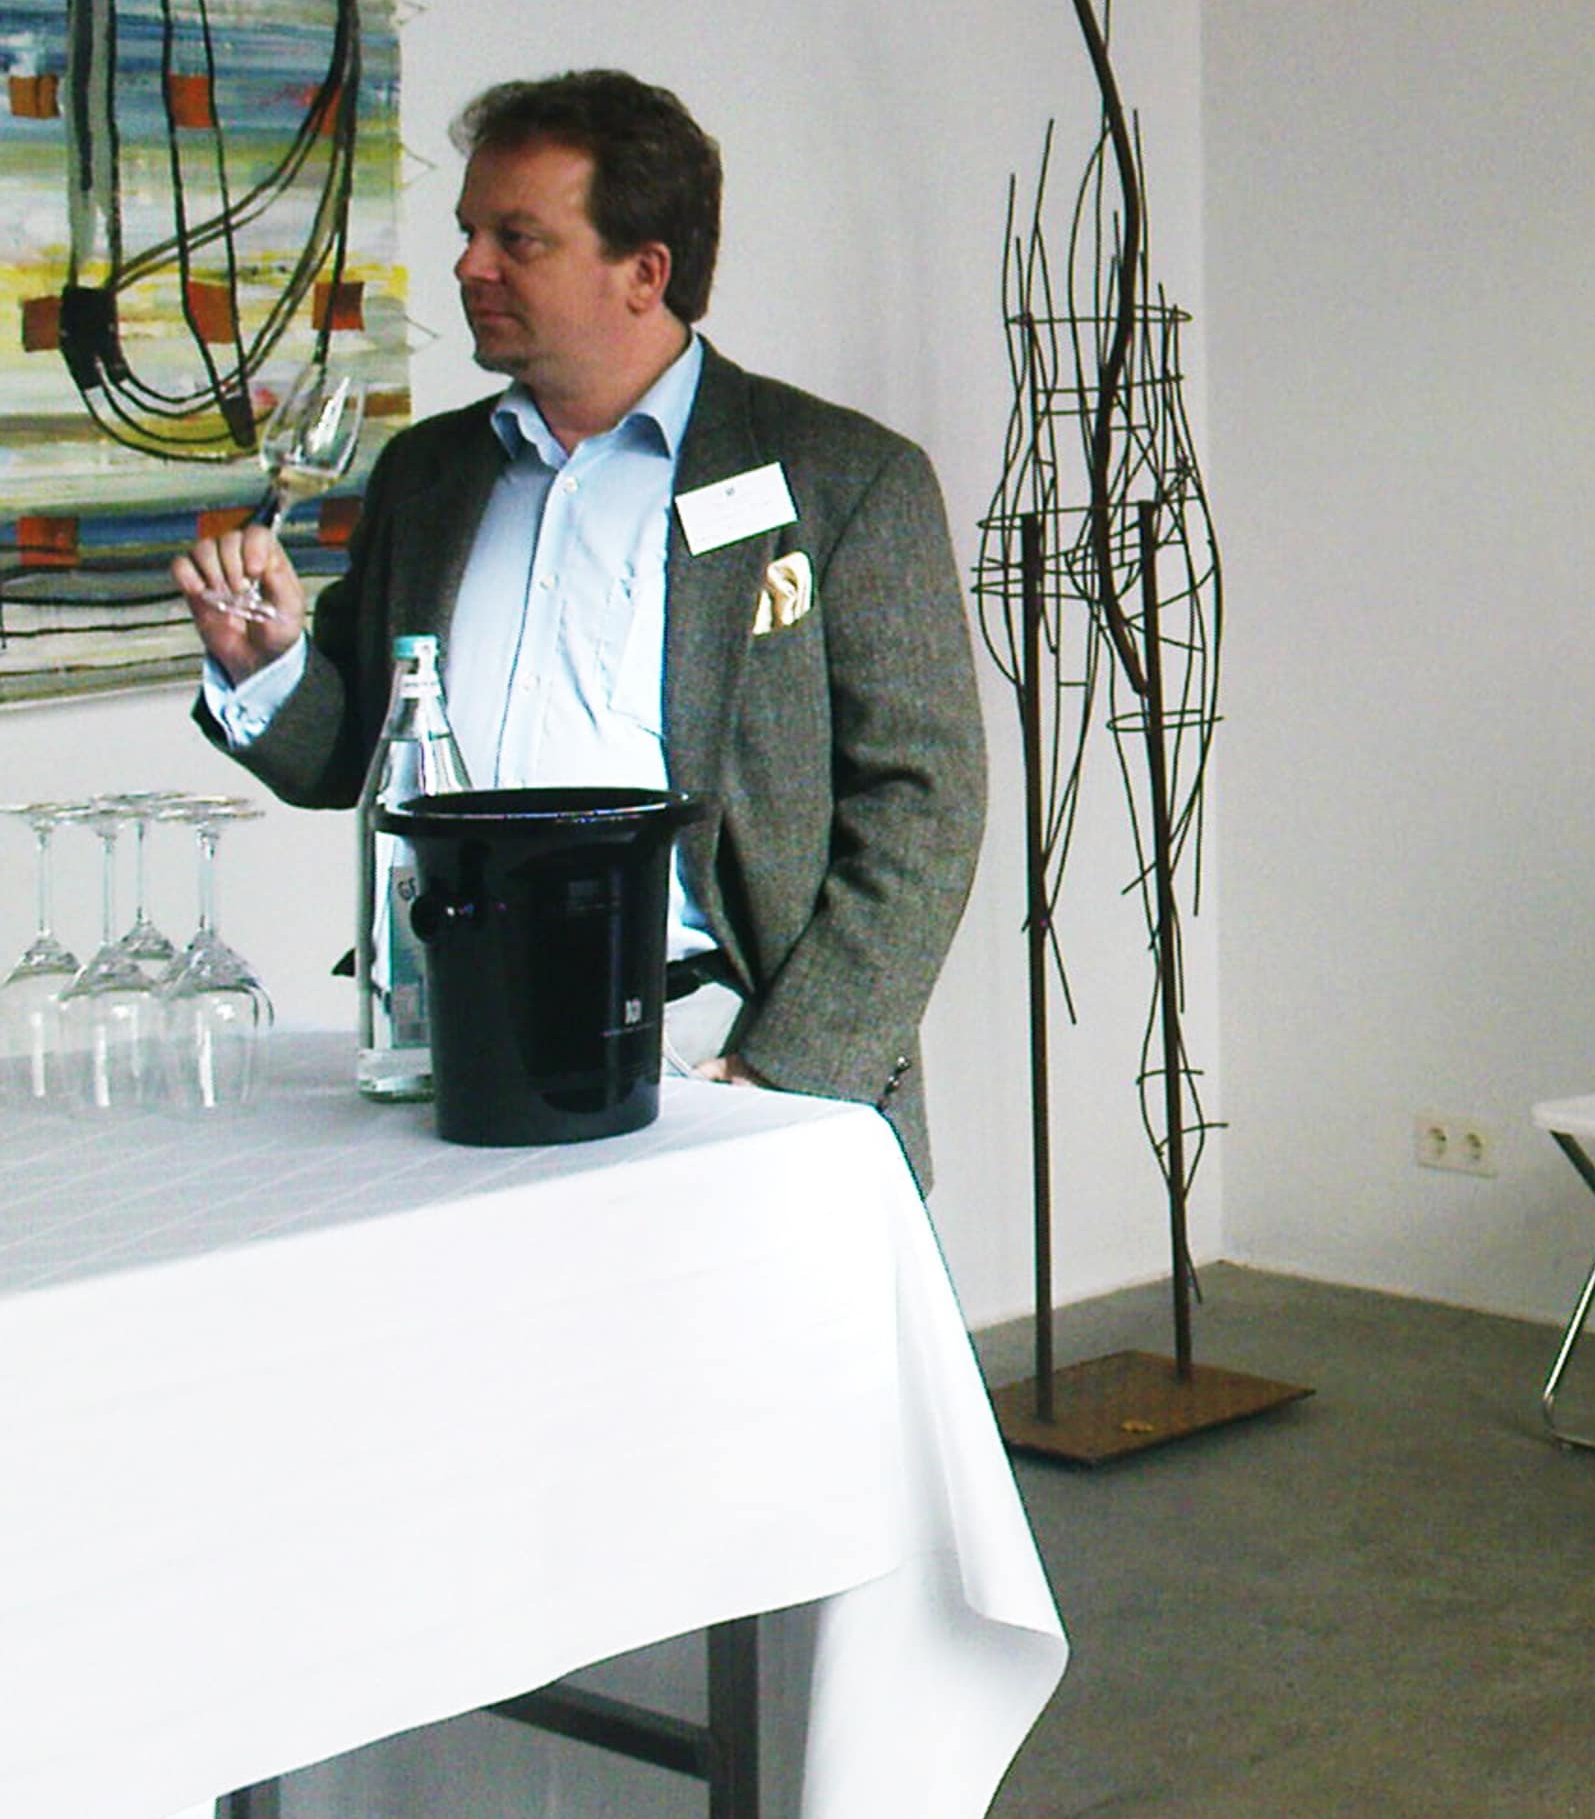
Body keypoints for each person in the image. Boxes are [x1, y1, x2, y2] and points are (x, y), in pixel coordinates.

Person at [177, 69, 987, 1184]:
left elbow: (925, 806)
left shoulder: (843, 479)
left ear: (643, 273)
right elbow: (353, 755)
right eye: (470, 231)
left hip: (723, 1072)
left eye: (520, 238)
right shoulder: (428, 477)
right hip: (445, 1057)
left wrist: (790, 1071)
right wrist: (267, 666)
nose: (470, 266)